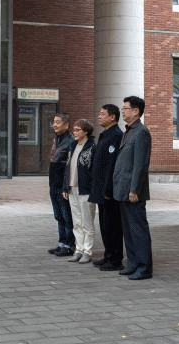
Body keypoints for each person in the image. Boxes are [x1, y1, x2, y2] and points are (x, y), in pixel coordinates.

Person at [114, 95, 153, 280]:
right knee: (128, 230)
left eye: (126, 109)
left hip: (133, 192)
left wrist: (134, 189)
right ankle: (132, 263)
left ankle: (144, 268)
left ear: (136, 111)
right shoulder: (129, 131)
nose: (123, 112)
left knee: (138, 230)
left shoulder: (141, 132)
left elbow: (140, 165)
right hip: (123, 190)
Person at [90, 104, 125, 271]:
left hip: (108, 191)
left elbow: (112, 166)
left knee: (113, 226)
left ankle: (115, 259)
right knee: (104, 225)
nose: (99, 116)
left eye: (102, 114)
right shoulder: (105, 135)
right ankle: (108, 255)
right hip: (101, 189)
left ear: (112, 117)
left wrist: (108, 190)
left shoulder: (116, 136)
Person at [62, 119, 96, 263]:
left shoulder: (92, 147)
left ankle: (87, 251)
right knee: (76, 222)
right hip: (73, 188)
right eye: (74, 130)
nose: (74, 132)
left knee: (87, 222)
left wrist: (94, 190)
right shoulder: (73, 146)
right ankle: (79, 249)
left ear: (86, 131)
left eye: (78, 130)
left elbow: (94, 171)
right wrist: (66, 186)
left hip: (85, 190)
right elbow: (68, 167)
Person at [47, 112, 75, 256]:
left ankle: (69, 245)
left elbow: (69, 166)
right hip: (54, 184)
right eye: (54, 122)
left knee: (66, 216)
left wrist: (66, 186)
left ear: (66, 124)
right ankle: (61, 242)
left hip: (62, 186)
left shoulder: (70, 141)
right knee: (58, 215)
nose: (55, 125)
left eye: (58, 122)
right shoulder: (57, 139)